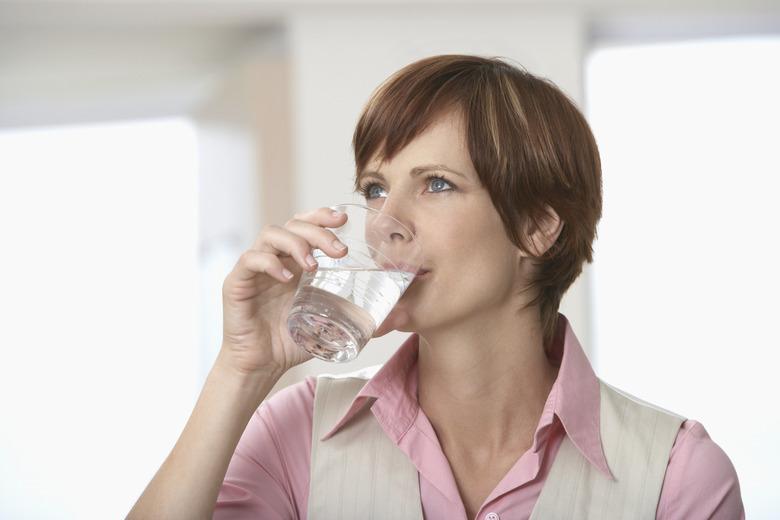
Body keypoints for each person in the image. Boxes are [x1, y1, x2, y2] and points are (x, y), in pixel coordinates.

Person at [127, 55, 744, 520]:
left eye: (437, 183)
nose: (385, 223)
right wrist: (242, 369)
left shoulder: (677, 475)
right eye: (375, 188)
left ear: (535, 228)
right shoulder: (298, 433)